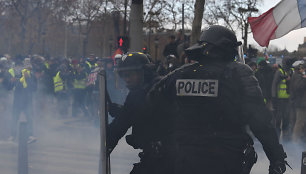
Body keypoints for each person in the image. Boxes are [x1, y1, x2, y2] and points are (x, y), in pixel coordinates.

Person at [148, 25, 288, 174]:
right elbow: (260, 122)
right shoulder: (239, 74)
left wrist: (160, 141)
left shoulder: (181, 74)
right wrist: (276, 157)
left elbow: (152, 102)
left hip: (184, 158)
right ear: (227, 49)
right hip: (226, 159)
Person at [107, 52, 169, 174]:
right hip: (160, 156)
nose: (127, 79)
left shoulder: (152, 91)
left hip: (163, 159)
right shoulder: (147, 89)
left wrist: (107, 142)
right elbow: (135, 115)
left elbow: (123, 123)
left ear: (144, 72)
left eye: (130, 74)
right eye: (124, 76)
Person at [271, 57, 294, 141]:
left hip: (288, 99)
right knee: (278, 119)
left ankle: (286, 138)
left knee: (286, 118)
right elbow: (274, 85)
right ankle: (276, 137)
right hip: (279, 99)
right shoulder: (279, 72)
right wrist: (274, 97)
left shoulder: (291, 72)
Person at [290, 61, 306, 143]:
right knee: (300, 122)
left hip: (302, 102)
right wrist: (304, 78)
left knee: (301, 123)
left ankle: (300, 139)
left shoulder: (299, 76)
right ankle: (295, 141)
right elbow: (298, 87)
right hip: (301, 103)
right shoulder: (297, 76)